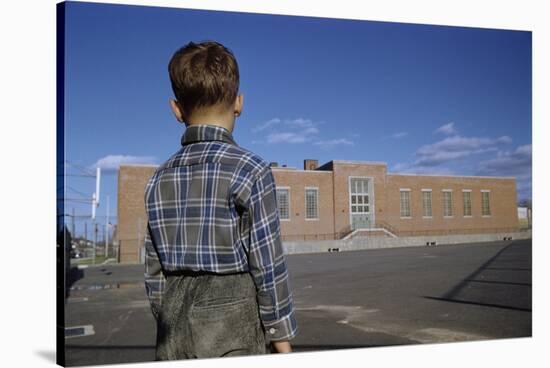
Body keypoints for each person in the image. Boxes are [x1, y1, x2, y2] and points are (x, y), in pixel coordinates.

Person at [143, 40, 297, 360]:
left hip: (173, 325)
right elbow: (267, 265)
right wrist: (280, 338)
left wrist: (168, 316)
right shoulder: (251, 170)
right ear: (239, 103)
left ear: (176, 109)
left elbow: (153, 269)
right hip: (232, 322)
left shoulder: (158, 179)